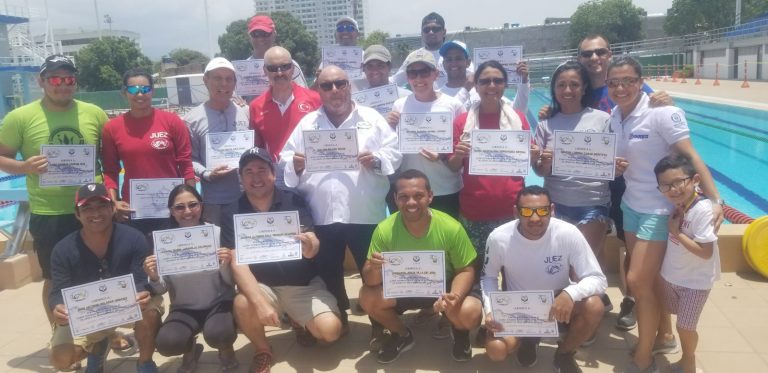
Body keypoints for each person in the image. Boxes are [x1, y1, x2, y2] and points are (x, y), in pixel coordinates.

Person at [606, 56, 722, 373]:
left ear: (641, 80)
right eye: (613, 82)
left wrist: (716, 200)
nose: (620, 87)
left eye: (628, 80)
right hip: (631, 204)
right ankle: (664, 336)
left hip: (659, 209)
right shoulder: (614, 116)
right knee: (652, 280)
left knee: (636, 281)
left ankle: (644, 358)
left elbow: (690, 155)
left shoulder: (662, 113)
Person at [280, 66, 402, 328]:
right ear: (319, 90)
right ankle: (340, 318)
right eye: (327, 86)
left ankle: (379, 323)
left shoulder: (372, 118)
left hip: (365, 212)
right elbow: (285, 159)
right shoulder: (307, 123)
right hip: (322, 213)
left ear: (349, 86)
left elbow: (394, 153)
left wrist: (377, 159)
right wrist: (296, 164)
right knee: (328, 274)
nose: (334, 90)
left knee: (373, 273)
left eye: (340, 83)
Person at [0, 55, 109, 329]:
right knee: (54, 277)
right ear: (42, 82)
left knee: (102, 272)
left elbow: (110, 159)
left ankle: (106, 330)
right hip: (49, 213)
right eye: (56, 79)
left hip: (93, 209)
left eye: (69, 79)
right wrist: (24, 166)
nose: (63, 85)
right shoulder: (20, 117)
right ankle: (61, 337)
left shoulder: (94, 113)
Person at [223, 147, 342, 373]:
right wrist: (259, 303)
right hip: (264, 286)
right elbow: (236, 261)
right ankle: (263, 349)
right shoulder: (232, 211)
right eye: (248, 171)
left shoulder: (294, 200)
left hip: (302, 284)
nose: (256, 177)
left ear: (273, 174)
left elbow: (312, 242)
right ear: (240, 177)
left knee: (330, 332)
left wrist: (310, 247)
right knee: (242, 303)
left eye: (262, 170)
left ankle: (298, 320)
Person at [359, 169, 482, 363]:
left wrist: (455, 297)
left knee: (470, 312)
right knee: (367, 296)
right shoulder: (384, 229)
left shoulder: (451, 227)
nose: (411, 203)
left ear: (430, 196)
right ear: (395, 198)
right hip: (403, 287)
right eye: (404, 197)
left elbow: (466, 270)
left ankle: (460, 334)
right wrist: (374, 268)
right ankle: (401, 335)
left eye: (418, 196)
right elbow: (370, 280)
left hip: (443, 288)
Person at [481, 185, 607, 373]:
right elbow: (489, 277)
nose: (535, 218)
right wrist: (491, 310)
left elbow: (597, 278)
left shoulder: (568, 233)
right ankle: (528, 342)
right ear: (516, 212)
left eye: (542, 210)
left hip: (557, 304)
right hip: (518, 309)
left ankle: (564, 353)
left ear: (552, 210)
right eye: (526, 211)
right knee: (496, 351)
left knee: (595, 306)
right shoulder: (499, 237)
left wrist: (570, 293)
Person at [48, 183, 164, 373]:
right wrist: (57, 308)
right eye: (87, 208)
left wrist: (143, 292)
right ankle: (98, 346)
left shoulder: (134, 238)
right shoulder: (63, 250)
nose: (96, 213)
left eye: (102, 206)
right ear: (77, 214)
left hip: (127, 307)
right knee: (61, 358)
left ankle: (144, 363)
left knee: (151, 312)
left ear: (112, 208)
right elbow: (57, 292)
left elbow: (141, 280)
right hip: (89, 314)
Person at [532, 60, 616, 310]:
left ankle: (585, 318)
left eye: (574, 85)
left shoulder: (602, 120)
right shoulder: (546, 124)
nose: (567, 90)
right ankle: (572, 313)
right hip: (556, 203)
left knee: (582, 268)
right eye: (561, 85)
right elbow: (538, 170)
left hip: (591, 202)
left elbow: (609, 161)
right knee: (559, 267)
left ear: (584, 88)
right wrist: (544, 163)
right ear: (554, 89)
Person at [144, 185, 238, 372]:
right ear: (171, 211)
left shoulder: (217, 234)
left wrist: (225, 264)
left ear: (201, 207)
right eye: (179, 207)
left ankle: (226, 348)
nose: (187, 211)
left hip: (219, 303)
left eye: (193, 205)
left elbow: (230, 283)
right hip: (184, 308)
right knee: (167, 344)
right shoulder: (163, 242)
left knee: (220, 333)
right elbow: (162, 289)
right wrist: (153, 276)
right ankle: (190, 349)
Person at [447, 60, 532, 263]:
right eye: (485, 81)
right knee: (477, 272)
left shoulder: (518, 118)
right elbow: (452, 166)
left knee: (514, 271)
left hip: (512, 210)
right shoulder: (462, 122)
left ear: (505, 84)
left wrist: (535, 153)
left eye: (497, 81)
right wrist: (458, 155)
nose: (491, 86)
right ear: (476, 86)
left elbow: (529, 161)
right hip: (475, 212)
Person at [102, 68, 196, 239]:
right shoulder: (112, 128)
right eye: (133, 89)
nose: (140, 94)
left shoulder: (172, 121)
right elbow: (110, 171)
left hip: (172, 206)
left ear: (152, 90)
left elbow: (185, 164)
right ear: (124, 93)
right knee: (140, 260)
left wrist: (191, 202)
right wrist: (114, 203)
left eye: (145, 89)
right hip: (133, 208)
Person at [654, 154, 720, 373]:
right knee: (671, 314)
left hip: (695, 282)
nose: (673, 189)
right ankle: (675, 348)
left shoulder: (702, 210)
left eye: (679, 182)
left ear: (695, 180)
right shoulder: (680, 203)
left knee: (685, 326)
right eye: (666, 186)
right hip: (672, 275)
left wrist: (676, 232)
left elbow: (705, 252)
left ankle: (689, 362)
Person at [388, 49, 466, 218]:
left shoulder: (453, 105)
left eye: (424, 72)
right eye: (412, 73)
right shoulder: (399, 106)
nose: (418, 79)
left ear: (435, 74)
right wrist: (390, 127)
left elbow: (462, 150)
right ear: (407, 77)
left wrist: (443, 155)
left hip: (446, 188)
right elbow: (392, 147)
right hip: (410, 192)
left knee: (446, 242)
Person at [186, 57, 252, 225]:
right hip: (214, 202)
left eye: (229, 79)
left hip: (248, 196)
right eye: (217, 78)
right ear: (205, 80)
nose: (224, 84)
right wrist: (207, 174)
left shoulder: (246, 112)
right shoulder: (191, 120)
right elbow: (189, 158)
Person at [249, 46, 321, 187]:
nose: (280, 73)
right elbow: (258, 150)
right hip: (277, 178)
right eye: (273, 68)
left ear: (293, 69)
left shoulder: (315, 99)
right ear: (265, 71)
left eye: (285, 67)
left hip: (311, 175)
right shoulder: (255, 106)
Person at [392, 12, 473, 89]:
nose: (431, 32)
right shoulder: (414, 57)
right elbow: (395, 82)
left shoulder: (455, 53)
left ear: (444, 32)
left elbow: (472, 77)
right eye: (426, 30)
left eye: (435, 29)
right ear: (422, 33)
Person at [245, 14, 307, 97]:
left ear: (274, 34)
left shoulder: (289, 64)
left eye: (265, 33)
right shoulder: (242, 69)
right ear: (249, 37)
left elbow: (304, 94)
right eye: (255, 34)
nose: (260, 38)